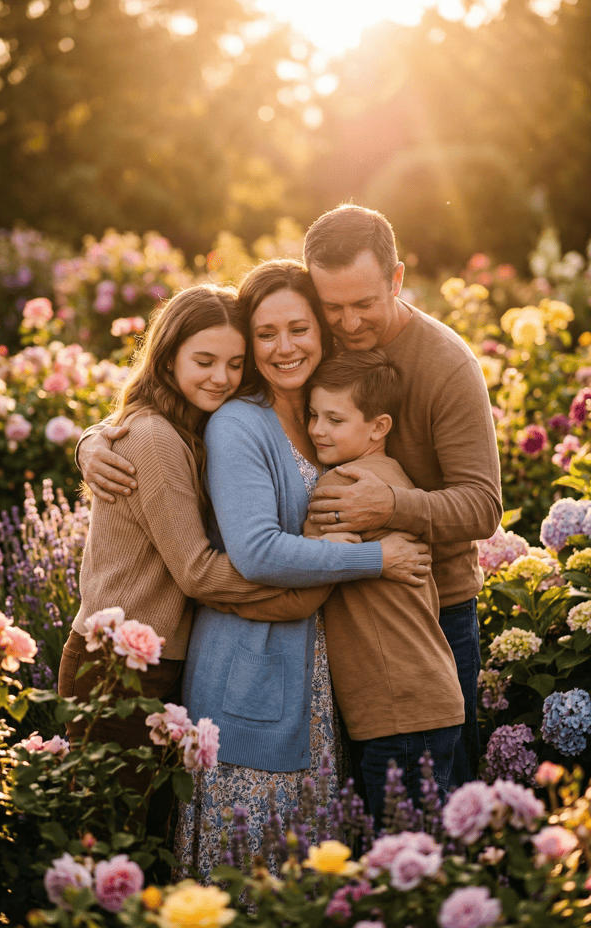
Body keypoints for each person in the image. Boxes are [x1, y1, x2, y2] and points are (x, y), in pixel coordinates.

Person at [58, 284, 369, 844]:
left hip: (155, 661)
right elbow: (198, 573)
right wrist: (312, 581)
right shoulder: (154, 436)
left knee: (144, 843)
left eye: (233, 363)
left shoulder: (193, 423)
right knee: (107, 845)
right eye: (203, 361)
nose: (220, 378)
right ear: (167, 355)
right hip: (114, 668)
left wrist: (90, 440)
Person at [171, 261, 431, 878]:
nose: (284, 347)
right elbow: (257, 551)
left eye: (299, 328)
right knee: (252, 874)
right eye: (265, 334)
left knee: (308, 873)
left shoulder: (326, 409)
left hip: (315, 669)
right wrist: (377, 558)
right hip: (251, 668)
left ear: (321, 329)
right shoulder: (240, 421)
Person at [303, 205, 502, 784]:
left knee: (434, 795)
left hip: (433, 611)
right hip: (343, 605)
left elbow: (482, 506)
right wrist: (99, 441)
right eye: (332, 305)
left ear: (396, 278)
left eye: (364, 303)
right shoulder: (317, 340)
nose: (348, 322)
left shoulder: (446, 364)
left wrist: (388, 507)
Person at [302, 349, 464, 829]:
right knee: (425, 853)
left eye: (334, 418)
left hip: (401, 709)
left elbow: (305, 560)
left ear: (379, 426)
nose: (316, 429)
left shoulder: (344, 486)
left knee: (403, 861)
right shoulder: (390, 478)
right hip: (423, 697)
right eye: (311, 415)